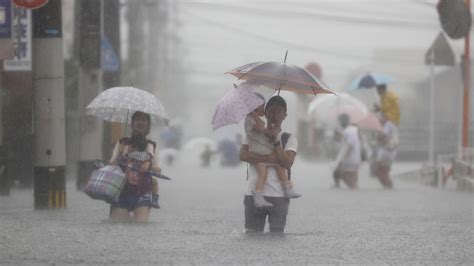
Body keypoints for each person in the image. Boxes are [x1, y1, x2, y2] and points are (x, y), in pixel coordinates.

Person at [240, 95, 298, 234]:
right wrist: (269, 157)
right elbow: (243, 155)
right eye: (271, 111)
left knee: (277, 237)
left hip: (279, 196)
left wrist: (275, 142)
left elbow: (288, 162)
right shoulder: (253, 134)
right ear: (265, 113)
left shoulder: (288, 137)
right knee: (252, 236)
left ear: (285, 115)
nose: (274, 115)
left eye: (279, 112)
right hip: (253, 194)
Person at [108, 111, 161, 223]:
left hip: (143, 192)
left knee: (140, 225)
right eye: (137, 119)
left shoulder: (152, 145)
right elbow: (111, 164)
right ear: (132, 124)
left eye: (143, 120)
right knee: (117, 226)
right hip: (121, 191)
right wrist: (120, 157)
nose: (140, 122)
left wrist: (148, 165)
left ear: (148, 125)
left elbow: (158, 169)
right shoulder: (122, 143)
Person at [331, 114, 362, 190]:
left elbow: (350, 146)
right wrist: (336, 135)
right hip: (350, 159)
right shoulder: (348, 130)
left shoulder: (350, 131)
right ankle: (354, 189)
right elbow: (342, 142)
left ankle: (354, 188)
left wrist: (342, 159)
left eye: (340, 121)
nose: (340, 123)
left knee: (346, 176)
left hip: (350, 159)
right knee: (342, 174)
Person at [374, 114, 399, 189]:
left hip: (386, 151)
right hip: (390, 151)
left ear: (385, 117)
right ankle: (388, 186)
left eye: (381, 117)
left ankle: (388, 186)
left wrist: (378, 131)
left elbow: (383, 137)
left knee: (381, 171)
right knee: (383, 171)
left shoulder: (387, 125)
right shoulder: (391, 125)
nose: (379, 118)